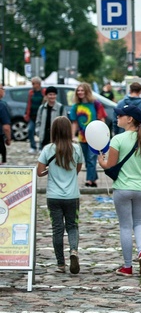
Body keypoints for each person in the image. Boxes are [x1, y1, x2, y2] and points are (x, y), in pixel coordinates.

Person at [97, 103, 141, 277]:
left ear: (129, 119)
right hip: (140, 189)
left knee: (125, 227)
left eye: (120, 115)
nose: (117, 117)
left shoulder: (117, 140)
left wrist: (102, 162)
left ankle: (128, 267)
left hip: (122, 188)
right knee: (139, 223)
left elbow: (110, 165)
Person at [36, 117, 84, 274]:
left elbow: (39, 172)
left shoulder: (48, 149)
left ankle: (60, 264)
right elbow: (77, 169)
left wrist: (50, 170)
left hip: (54, 196)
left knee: (57, 229)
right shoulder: (76, 149)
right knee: (72, 226)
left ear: (53, 131)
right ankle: (74, 251)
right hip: (72, 195)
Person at [70, 82, 108, 188]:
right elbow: (75, 122)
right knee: (87, 160)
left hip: (94, 137)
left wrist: (103, 133)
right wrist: (73, 135)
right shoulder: (76, 106)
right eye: (78, 90)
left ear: (87, 91)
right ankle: (93, 178)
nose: (80, 92)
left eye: (82, 90)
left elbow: (102, 118)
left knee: (92, 159)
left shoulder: (95, 104)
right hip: (82, 137)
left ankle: (90, 180)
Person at [24, 76, 44, 154]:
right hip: (32, 115)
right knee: (30, 130)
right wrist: (26, 113)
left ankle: (41, 147)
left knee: (41, 132)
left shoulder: (43, 92)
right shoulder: (31, 92)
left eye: (33, 83)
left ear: (38, 84)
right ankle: (33, 146)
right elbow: (29, 103)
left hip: (41, 116)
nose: (32, 85)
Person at [0, 85, 11, 163]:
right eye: (2, 88)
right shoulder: (2, 105)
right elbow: (6, 127)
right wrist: (8, 138)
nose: (4, 91)